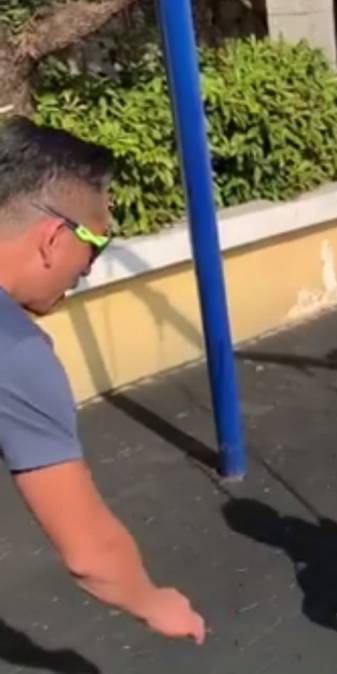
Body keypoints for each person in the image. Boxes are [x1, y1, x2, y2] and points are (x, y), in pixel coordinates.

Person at [0, 117, 205, 642]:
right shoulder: (16, 353)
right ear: (52, 238)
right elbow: (91, 555)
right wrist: (154, 602)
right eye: (96, 244)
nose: (89, 268)